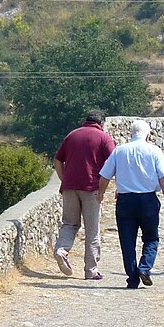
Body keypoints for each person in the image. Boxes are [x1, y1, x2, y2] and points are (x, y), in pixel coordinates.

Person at [98, 119, 164, 289]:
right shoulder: (154, 150)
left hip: (125, 201)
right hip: (148, 199)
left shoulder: (120, 151)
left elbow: (104, 176)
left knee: (127, 241)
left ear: (131, 133)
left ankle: (132, 278)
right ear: (148, 135)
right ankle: (145, 268)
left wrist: (101, 194)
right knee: (151, 237)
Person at [53, 109, 116, 281]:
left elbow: (58, 160)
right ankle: (91, 270)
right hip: (92, 188)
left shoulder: (72, 135)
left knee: (69, 224)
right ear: (101, 123)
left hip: (69, 187)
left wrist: (64, 178)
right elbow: (114, 161)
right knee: (92, 230)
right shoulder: (104, 138)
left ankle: (61, 250)